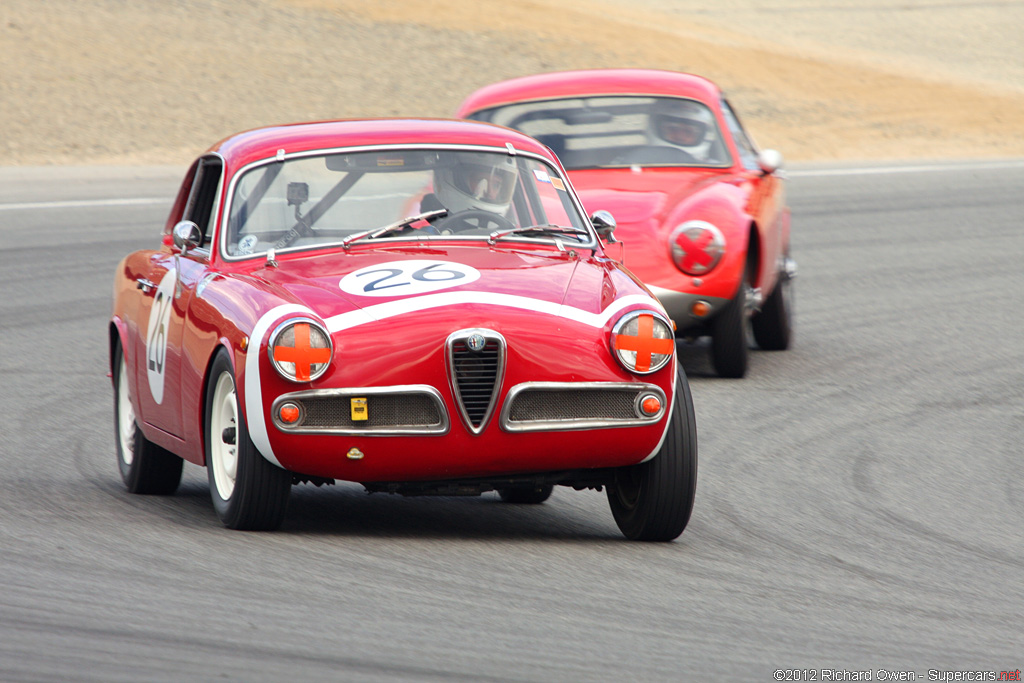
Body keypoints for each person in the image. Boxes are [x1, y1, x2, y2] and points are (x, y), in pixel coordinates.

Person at [433, 153, 518, 217]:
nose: (489, 193)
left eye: (496, 185)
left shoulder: (511, 232)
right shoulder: (428, 229)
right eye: (480, 182)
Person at [647, 99, 717, 162]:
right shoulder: (641, 163)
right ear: (655, 127)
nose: (680, 136)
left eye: (688, 132)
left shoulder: (713, 169)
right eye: (673, 129)